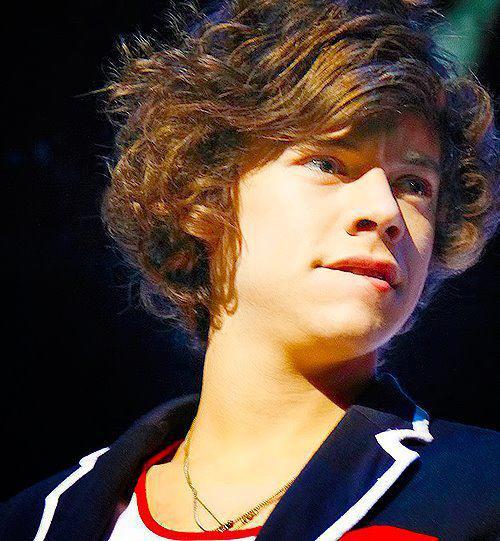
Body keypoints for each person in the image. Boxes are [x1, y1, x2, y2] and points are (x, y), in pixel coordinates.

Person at [2, 0, 499, 540]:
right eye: (327, 163)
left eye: (414, 185)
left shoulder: (483, 496)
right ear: (203, 194)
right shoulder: (31, 523)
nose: (384, 210)